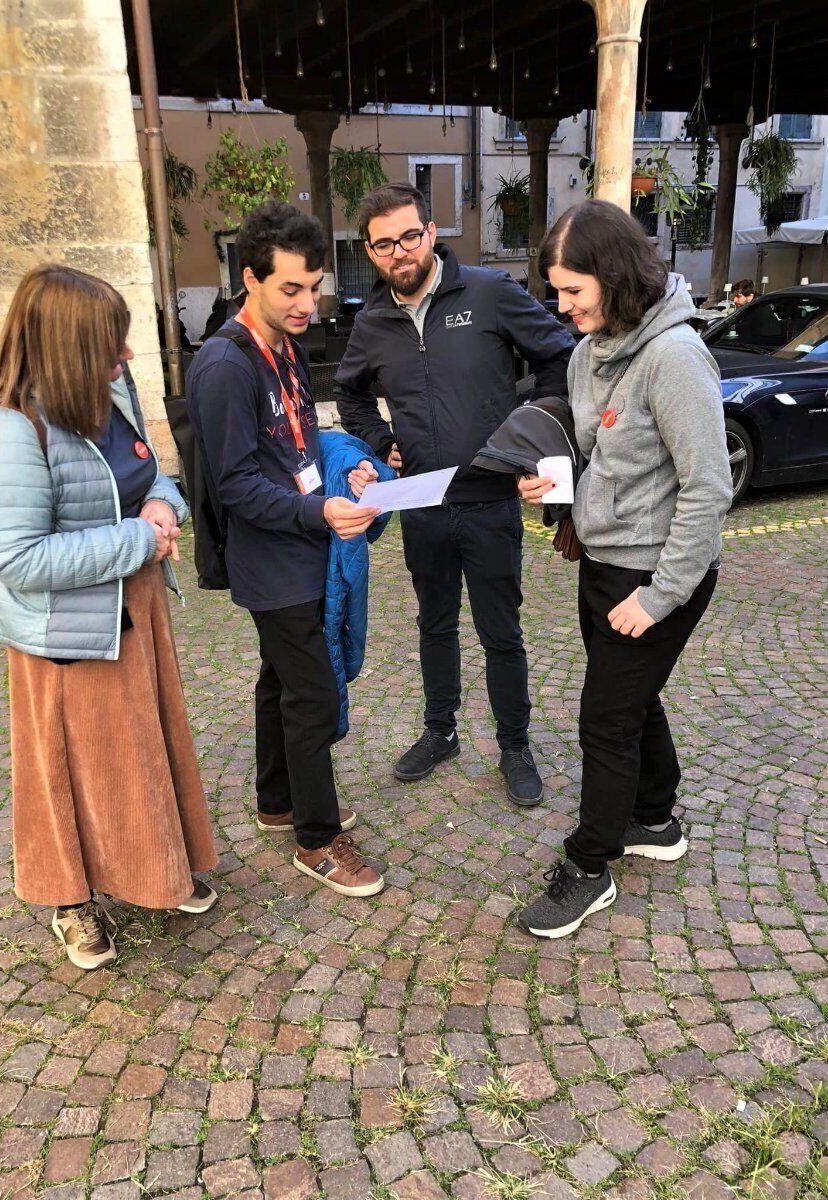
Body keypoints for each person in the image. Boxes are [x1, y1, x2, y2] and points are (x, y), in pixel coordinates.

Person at [0, 265, 220, 971]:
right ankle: (70, 902)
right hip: (61, 638)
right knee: (65, 773)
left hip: (132, 610)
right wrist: (141, 539)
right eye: (111, 343)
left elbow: (151, 473)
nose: (126, 356)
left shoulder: (109, 392)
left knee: (145, 750)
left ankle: (157, 867)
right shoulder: (6, 428)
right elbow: (20, 559)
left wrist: (165, 507)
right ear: (66, 348)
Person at [515, 199, 733, 938]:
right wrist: (552, 482)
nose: (563, 306)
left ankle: (590, 863)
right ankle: (654, 819)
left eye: (574, 290)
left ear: (614, 276)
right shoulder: (586, 353)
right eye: (556, 291)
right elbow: (597, 455)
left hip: (658, 575)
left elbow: (708, 489)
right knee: (632, 699)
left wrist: (660, 596)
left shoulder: (674, 357)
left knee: (605, 718)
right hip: (604, 565)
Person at [337, 182, 575, 806]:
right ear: (370, 250)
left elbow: (560, 360)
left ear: (431, 232)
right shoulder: (372, 323)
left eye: (409, 236)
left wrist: (530, 438)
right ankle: (440, 732)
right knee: (434, 624)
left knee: (502, 631)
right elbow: (352, 394)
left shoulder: (490, 294)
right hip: (420, 500)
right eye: (384, 244)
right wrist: (377, 437)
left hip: (491, 498)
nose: (400, 252)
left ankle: (515, 747)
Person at [186, 201, 385, 899]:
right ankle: (316, 838)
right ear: (251, 278)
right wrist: (318, 509)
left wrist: (348, 472)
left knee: (280, 681)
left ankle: (280, 801)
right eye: (290, 289)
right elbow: (236, 485)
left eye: (314, 286)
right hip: (272, 560)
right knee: (312, 691)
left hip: (304, 543)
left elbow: (302, 445)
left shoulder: (289, 349)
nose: (307, 303)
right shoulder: (224, 368)